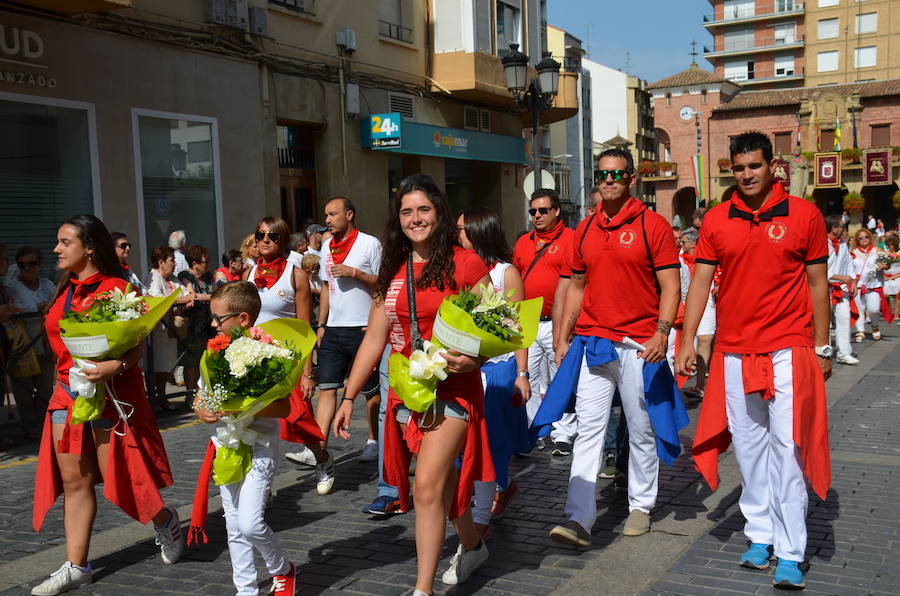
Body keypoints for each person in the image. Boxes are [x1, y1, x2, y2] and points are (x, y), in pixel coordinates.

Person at [677, 131, 832, 590]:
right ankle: (759, 534)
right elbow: (701, 285)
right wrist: (686, 341)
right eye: (739, 168)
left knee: (787, 449)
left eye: (754, 166)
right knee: (749, 450)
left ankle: (790, 550)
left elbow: (819, 285)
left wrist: (822, 347)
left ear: (772, 166)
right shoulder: (717, 220)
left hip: (788, 347)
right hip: (732, 351)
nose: (746, 175)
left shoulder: (805, 215)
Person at [332, 174, 494, 594]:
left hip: (454, 389)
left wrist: (475, 358)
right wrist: (349, 395)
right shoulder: (393, 267)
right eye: (407, 211)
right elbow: (374, 337)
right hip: (407, 390)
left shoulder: (466, 264)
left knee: (425, 486)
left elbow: (500, 324)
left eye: (424, 209)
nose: (415, 218)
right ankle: (473, 546)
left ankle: (422, 589)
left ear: (439, 214)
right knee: (438, 487)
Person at [32, 215, 182, 596]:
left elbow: (134, 345)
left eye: (65, 242)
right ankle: (77, 565)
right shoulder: (62, 289)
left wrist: (114, 365)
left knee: (124, 477)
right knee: (73, 482)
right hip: (67, 394)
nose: (57, 249)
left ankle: (165, 520)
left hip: (111, 397)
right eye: (58, 242)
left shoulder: (118, 289)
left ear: (89, 247)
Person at [545, 148, 683, 546]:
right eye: (603, 174)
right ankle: (578, 518)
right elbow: (576, 287)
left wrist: (662, 333)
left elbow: (671, 286)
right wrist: (563, 339)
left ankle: (640, 504)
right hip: (593, 342)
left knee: (640, 427)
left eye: (617, 174)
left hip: (639, 344)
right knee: (588, 428)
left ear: (631, 178)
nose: (609, 180)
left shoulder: (652, 225)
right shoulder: (584, 229)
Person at [194, 281, 296, 596]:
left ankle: (283, 568)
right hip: (225, 444)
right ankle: (245, 589)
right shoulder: (214, 353)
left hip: (259, 447)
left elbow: (284, 406)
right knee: (234, 524)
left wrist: (249, 401)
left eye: (218, 318)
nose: (212, 324)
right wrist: (201, 409)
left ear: (243, 320)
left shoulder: (268, 352)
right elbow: (201, 394)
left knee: (251, 522)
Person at [292, 197, 383, 469]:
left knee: (371, 390)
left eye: (332, 215)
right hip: (333, 328)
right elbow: (328, 288)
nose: (328, 221)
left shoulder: (370, 243)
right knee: (328, 387)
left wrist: (355, 272)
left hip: (364, 327)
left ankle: (373, 440)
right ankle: (319, 448)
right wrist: (321, 324)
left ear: (350, 215)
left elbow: (382, 283)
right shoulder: (328, 245)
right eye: (326, 215)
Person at [458, 206, 531, 539]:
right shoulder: (455, 267)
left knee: (493, 438)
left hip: (498, 368)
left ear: (477, 233)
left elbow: (517, 328)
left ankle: (489, 501)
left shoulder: (505, 272)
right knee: (462, 438)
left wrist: (522, 372)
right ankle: (495, 487)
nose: (454, 234)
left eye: (460, 229)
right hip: (463, 366)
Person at [246, 217, 328, 492]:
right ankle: (262, 485)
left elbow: (305, 328)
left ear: (283, 241)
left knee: (299, 419)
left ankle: (322, 460)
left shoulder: (295, 275)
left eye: (273, 235)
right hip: (255, 361)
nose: (265, 240)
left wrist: (307, 373)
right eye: (260, 234)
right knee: (254, 426)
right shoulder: (248, 275)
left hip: (288, 361)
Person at [512, 188, 575, 455]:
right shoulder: (523, 242)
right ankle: (536, 429)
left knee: (561, 378)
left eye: (543, 210)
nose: (536, 216)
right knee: (529, 378)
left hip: (558, 322)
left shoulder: (571, 239)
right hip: (528, 319)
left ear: (556, 211)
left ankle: (564, 432)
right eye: (533, 211)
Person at [5, 246, 55, 439]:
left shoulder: (47, 284)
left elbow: (57, 303)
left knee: (44, 385)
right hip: (22, 343)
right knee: (23, 387)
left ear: (39, 264)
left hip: (44, 341)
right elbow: (17, 309)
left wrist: (42, 307)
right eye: (22, 264)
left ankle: (43, 423)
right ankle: (28, 425)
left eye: (31, 264)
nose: (27, 268)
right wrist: (42, 306)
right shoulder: (12, 287)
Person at [146, 246, 195, 411]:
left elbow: (184, 293)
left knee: (166, 365)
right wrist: (182, 300)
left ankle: (162, 397)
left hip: (171, 328)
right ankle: (157, 398)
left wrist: (186, 297)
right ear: (161, 262)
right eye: (171, 260)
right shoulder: (153, 278)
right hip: (159, 329)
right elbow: (157, 300)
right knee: (158, 366)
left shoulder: (172, 278)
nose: (174, 263)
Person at [177, 245, 215, 406]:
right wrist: (204, 296)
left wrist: (202, 296)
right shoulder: (185, 276)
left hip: (208, 324)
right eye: (205, 261)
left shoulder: (209, 277)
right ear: (195, 263)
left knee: (206, 359)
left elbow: (216, 294)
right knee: (190, 361)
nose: (208, 265)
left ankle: (204, 392)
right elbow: (191, 293)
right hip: (192, 324)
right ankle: (190, 394)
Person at [825, 216, 859, 365]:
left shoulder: (843, 244)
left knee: (844, 318)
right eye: (841, 226)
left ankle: (844, 353)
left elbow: (849, 264)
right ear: (833, 228)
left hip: (841, 287)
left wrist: (853, 281)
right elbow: (819, 271)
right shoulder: (821, 244)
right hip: (824, 289)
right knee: (823, 322)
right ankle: (822, 351)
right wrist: (841, 277)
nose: (844, 229)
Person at [851, 228, 888, 342]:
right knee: (859, 309)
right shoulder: (853, 253)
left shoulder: (877, 250)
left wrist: (885, 266)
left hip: (873, 286)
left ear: (870, 238)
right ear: (857, 240)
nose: (863, 239)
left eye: (866, 237)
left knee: (874, 309)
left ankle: (875, 326)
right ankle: (860, 331)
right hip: (858, 286)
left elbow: (888, 262)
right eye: (860, 238)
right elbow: (849, 269)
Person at [883, 234, 900, 324]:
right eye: (889, 245)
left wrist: (893, 277)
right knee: (885, 293)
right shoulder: (884, 254)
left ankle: (896, 313)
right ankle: (889, 311)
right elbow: (881, 266)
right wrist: (884, 276)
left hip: (897, 276)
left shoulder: (899, 254)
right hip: (886, 277)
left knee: (898, 292)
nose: (890, 246)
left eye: (892, 244)